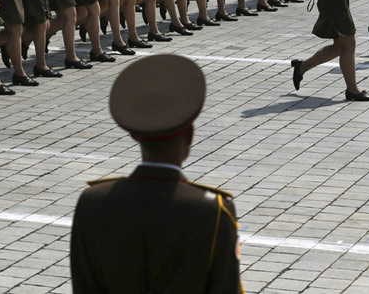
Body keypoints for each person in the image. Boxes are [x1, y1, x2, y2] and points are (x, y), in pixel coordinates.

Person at [70, 54, 243, 293]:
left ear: (135, 134)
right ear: (190, 136)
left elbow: (84, 286)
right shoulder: (212, 210)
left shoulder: (92, 201)